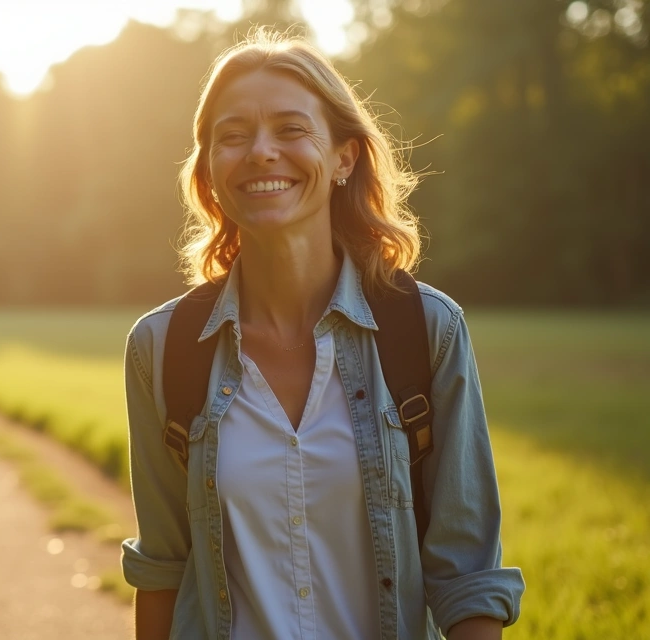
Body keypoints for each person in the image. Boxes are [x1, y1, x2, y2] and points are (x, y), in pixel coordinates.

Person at [120, 31, 525, 640]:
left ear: (344, 157)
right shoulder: (162, 347)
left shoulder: (428, 330)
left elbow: (466, 576)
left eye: (290, 129)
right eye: (233, 136)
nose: (260, 152)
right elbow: (163, 569)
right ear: (208, 169)